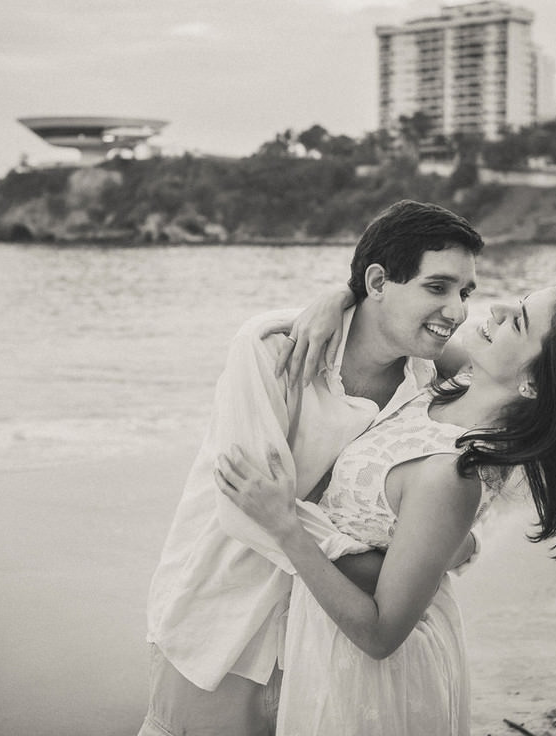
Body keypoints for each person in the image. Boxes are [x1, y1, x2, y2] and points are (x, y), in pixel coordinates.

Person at [216, 283, 556, 735]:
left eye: (518, 321)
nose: (499, 308)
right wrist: (340, 296)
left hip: (372, 671)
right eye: (518, 302)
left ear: (535, 384)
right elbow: (395, 316)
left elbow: (379, 634)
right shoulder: (461, 379)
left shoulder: (452, 471)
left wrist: (286, 528)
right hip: (326, 632)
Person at [139, 200, 485, 736]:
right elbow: (245, 507)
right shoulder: (273, 348)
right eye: (438, 287)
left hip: (333, 641)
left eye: (465, 292)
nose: (458, 310)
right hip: (230, 621)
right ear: (377, 282)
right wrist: (399, 562)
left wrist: (436, 548)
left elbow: (462, 511)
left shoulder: (431, 381)